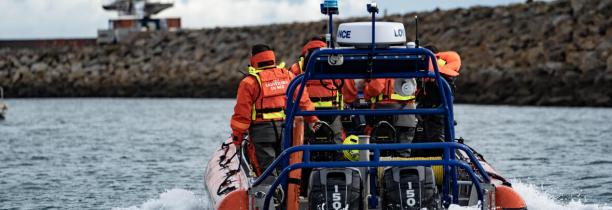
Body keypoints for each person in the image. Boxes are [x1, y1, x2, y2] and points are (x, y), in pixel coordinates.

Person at [230, 44, 319, 176]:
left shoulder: (249, 82)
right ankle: (285, 193)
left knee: (266, 170)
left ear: (253, 59)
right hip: (285, 129)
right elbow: (303, 100)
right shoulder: (288, 76)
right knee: (284, 164)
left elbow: (242, 115)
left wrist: (237, 139)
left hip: (262, 132)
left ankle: (271, 194)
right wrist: (312, 120)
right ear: (272, 57)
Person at [289, 37, 345, 144]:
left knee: (305, 143)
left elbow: (294, 92)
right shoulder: (333, 63)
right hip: (332, 110)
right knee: (336, 141)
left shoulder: (297, 68)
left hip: (306, 112)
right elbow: (343, 86)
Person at [412, 45, 461, 157]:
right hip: (423, 118)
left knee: (437, 145)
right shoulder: (424, 80)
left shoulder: (444, 80)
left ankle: (440, 165)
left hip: (437, 119)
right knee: (420, 146)